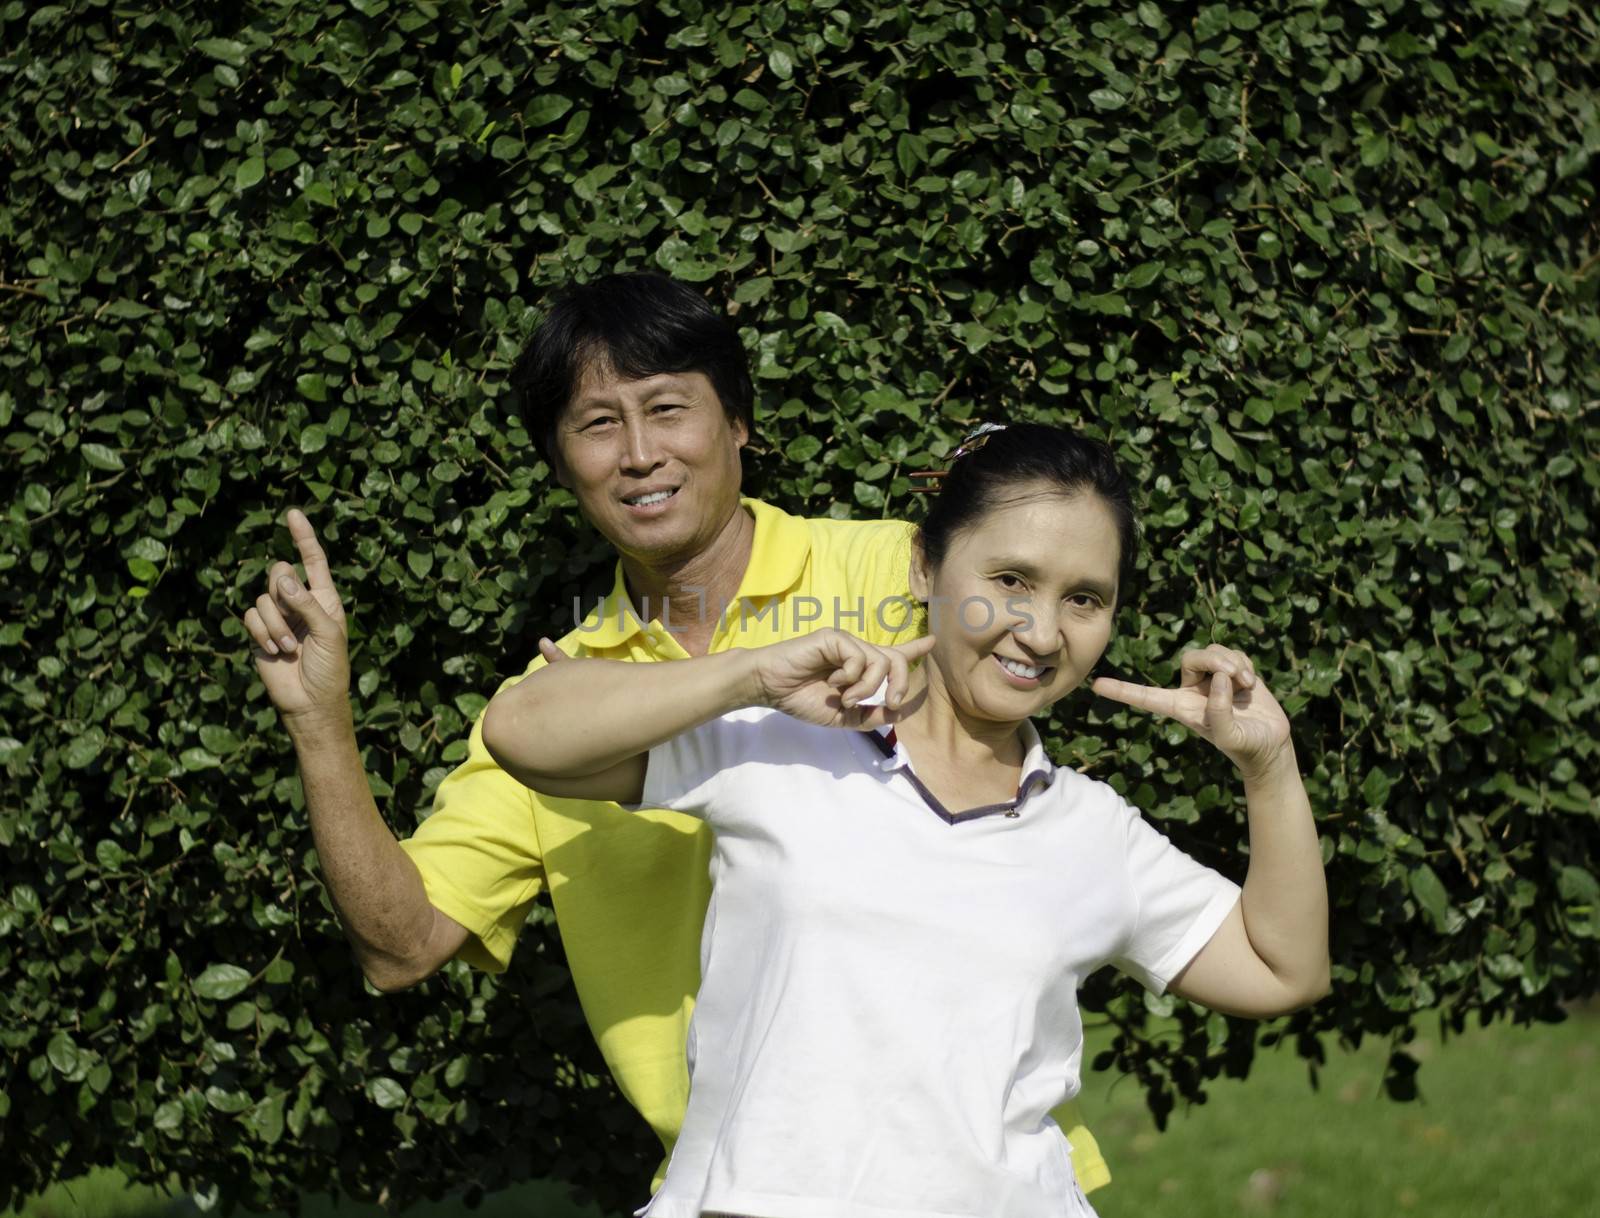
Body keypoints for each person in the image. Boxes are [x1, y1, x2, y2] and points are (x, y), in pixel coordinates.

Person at [238, 275, 1112, 1194]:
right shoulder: (563, 712)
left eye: (668, 409)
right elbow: (401, 943)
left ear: (737, 423)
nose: (641, 454)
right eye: (598, 424)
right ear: (561, 460)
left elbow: (1033, 650)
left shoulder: (895, 569)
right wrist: (320, 724)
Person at [480, 422, 1331, 1218]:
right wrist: (749, 677)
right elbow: (523, 733)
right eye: (1010, 582)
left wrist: (1269, 765)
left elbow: (1282, 970)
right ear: (925, 568)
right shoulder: (788, 746)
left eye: (1085, 599)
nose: (1040, 632)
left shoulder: (1092, 830)